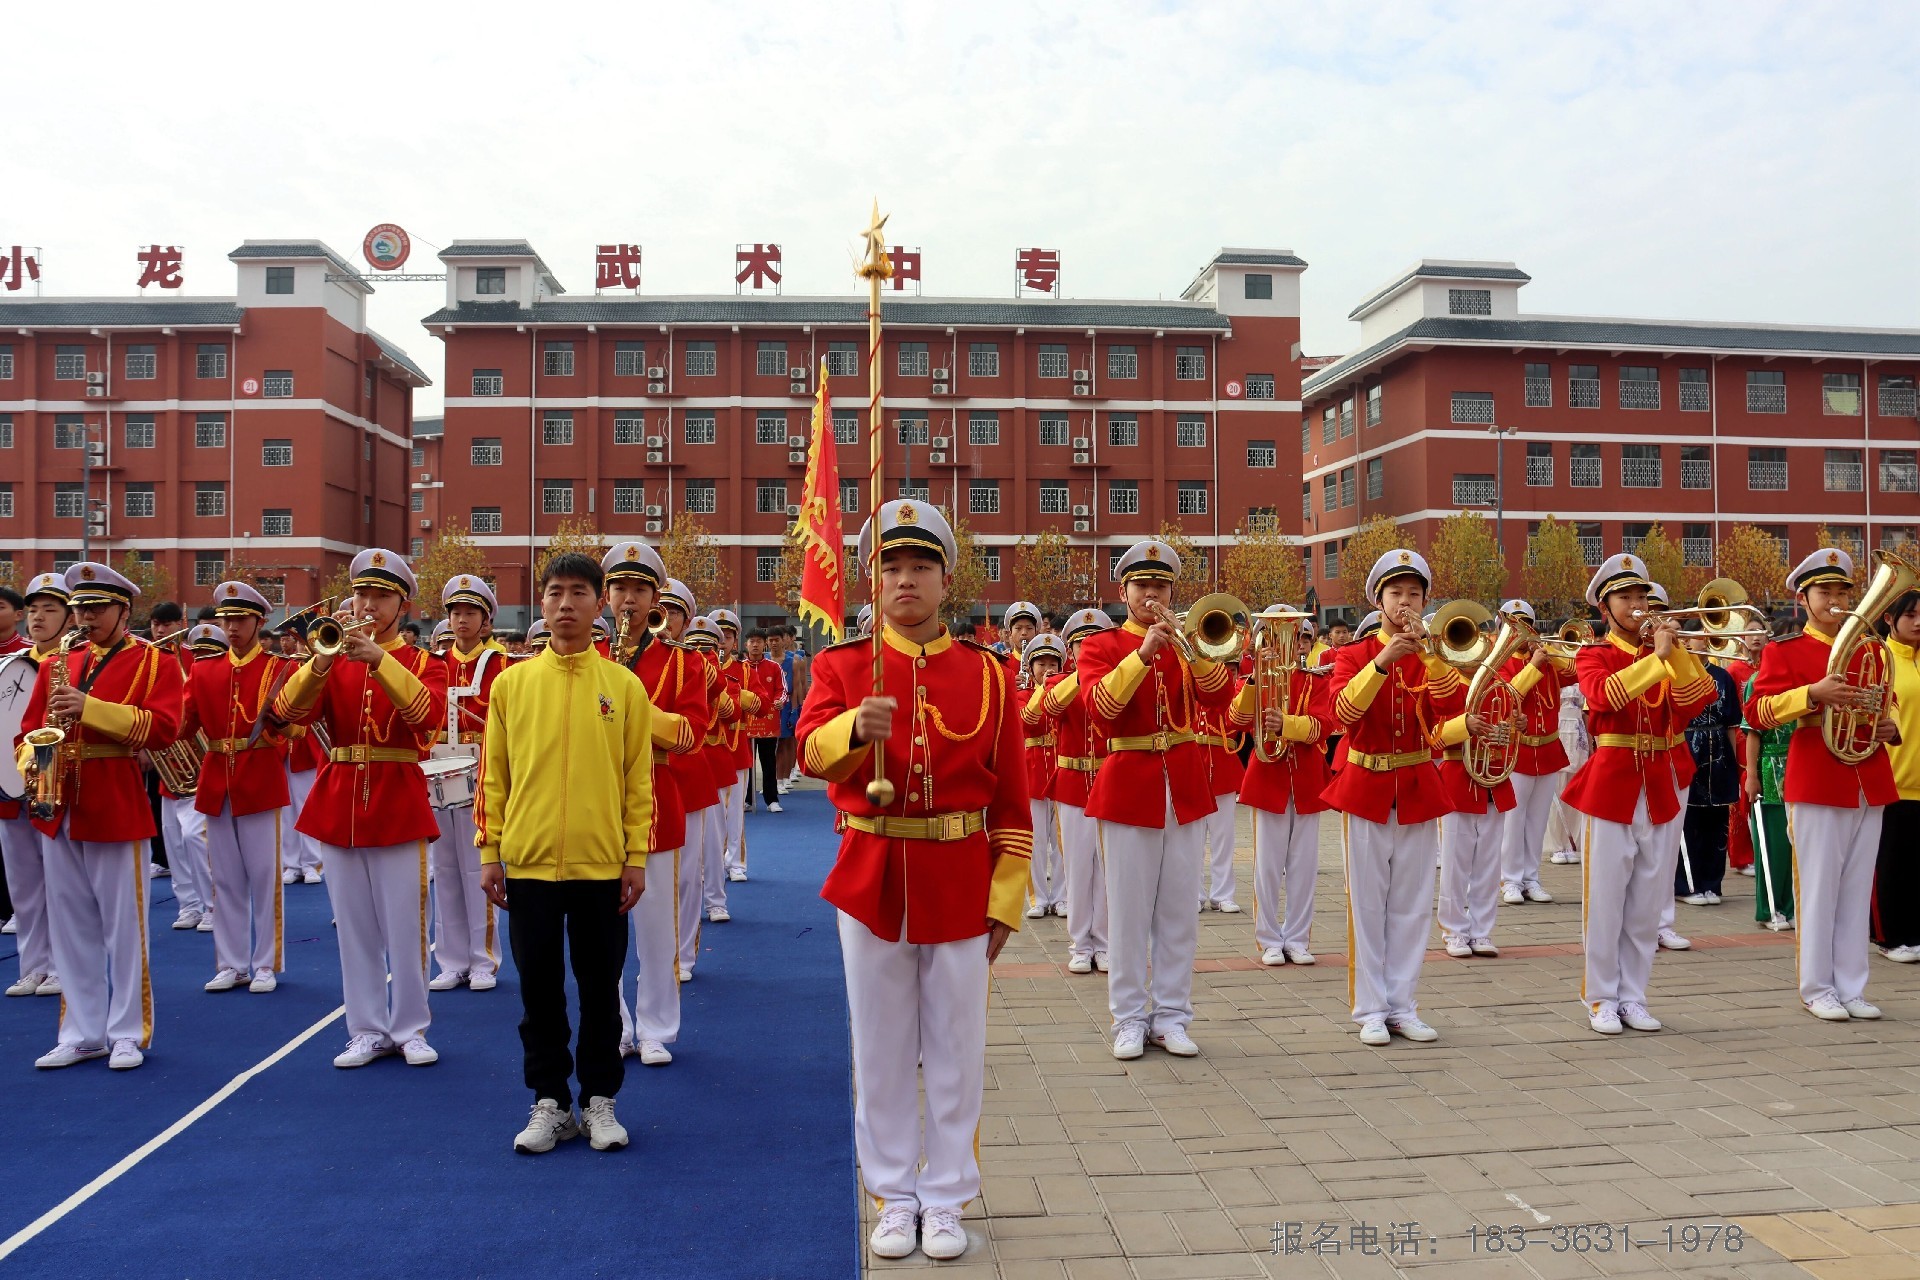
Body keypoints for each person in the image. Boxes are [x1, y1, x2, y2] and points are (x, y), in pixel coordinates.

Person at [797, 499, 1031, 1262]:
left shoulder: (990, 675)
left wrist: (1007, 897)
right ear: (875, 579)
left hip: (961, 874)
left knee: (958, 1044)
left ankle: (948, 1193)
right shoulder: (841, 666)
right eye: (891, 567)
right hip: (871, 871)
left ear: (946, 578)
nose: (905, 581)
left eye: (920, 567)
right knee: (882, 1043)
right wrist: (847, 731)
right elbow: (805, 754)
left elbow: (1012, 797)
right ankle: (893, 1193)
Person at [477, 552, 653, 1154]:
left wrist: (636, 858)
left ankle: (600, 1100)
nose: (566, 605)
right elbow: (491, 776)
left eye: (579, 592)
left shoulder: (624, 687)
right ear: (541, 603)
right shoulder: (511, 684)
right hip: (527, 865)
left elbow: (638, 780)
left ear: (599, 603)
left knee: (601, 987)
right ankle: (549, 1100)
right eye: (555, 593)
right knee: (539, 991)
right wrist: (488, 851)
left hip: (602, 865)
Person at [271, 549, 449, 1068]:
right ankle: (366, 1028)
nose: (368, 604)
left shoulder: (423, 661)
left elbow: (428, 720)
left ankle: (411, 1026)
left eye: (381, 596)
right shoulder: (330, 658)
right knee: (353, 926)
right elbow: (285, 715)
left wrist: (381, 660)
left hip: (397, 791)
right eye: (362, 594)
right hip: (340, 794)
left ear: (403, 604)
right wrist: (317, 664)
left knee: (406, 921)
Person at [20, 562, 185, 1069]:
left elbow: (164, 728)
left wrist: (90, 708)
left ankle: (127, 1031)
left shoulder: (154, 662)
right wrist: (32, 763)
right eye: (81, 608)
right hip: (57, 799)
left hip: (113, 797)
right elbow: (25, 730)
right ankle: (81, 1031)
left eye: (97, 608)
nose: (86, 617)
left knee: (123, 923)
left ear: (124, 610)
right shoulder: (54, 663)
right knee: (69, 923)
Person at [1078, 540, 1236, 1061]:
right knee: (1126, 912)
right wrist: (1143, 654)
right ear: (1123, 591)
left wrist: (1190, 645)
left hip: (1186, 784)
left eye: (1162, 586)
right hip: (1129, 784)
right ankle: (1128, 1017)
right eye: (1143, 586)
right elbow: (1101, 709)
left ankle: (1171, 1015)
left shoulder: (1188, 643)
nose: (1152, 595)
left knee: (1179, 911)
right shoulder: (1100, 646)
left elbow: (1220, 697)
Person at [1323, 552, 1477, 1046]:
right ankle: (1370, 1008)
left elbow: (1451, 711)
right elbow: (1344, 714)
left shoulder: (1432, 655)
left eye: (1414, 594)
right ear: (1378, 600)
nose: (1406, 602)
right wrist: (1383, 660)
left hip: (1415, 786)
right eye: (1396, 594)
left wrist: (1432, 659)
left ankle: (1403, 1005)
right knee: (1367, 905)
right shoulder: (1352, 654)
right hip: (1365, 785)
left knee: (1411, 905)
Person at [1560, 554, 1715, 1035]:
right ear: (1604, 609)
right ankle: (1601, 997)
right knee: (1606, 896)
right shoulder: (1593, 653)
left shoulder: (1666, 652)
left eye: (1641, 596)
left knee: (1648, 897)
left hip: (1663, 778)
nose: (1635, 605)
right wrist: (1658, 659)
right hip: (1613, 779)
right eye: (1624, 598)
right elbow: (1604, 696)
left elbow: (1700, 698)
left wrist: (1678, 653)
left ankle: (1634, 995)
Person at [1748, 549, 1899, 1020]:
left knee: (1857, 887)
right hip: (1816, 775)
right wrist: (1812, 694)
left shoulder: (1873, 649)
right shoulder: (1786, 650)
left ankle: (1852, 986)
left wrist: (1888, 726)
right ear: (1803, 598)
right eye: (1825, 592)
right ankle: (1817, 987)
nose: (1835, 600)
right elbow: (1756, 712)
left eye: (1842, 592)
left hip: (1868, 775)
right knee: (1818, 888)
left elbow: (1884, 703)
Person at [604, 543, 709, 1065]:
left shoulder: (682, 662)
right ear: (606, 596)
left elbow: (690, 735)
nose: (629, 599)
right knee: (600, 930)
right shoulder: (584, 658)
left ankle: (656, 1028)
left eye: (640, 590)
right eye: (620, 588)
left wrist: (635, 706)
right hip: (594, 803)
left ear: (655, 600)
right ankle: (618, 1024)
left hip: (655, 799)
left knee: (655, 924)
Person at [182, 585, 293, 994]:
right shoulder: (203, 668)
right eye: (226, 619)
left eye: (240, 619)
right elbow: (183, 723)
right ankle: (230, 962)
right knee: (224, 878)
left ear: (259, 622)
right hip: (216, 777)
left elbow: (293, 725)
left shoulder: (279, 668)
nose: (231, 626)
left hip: (259, 775)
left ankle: (264, 963)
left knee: (264, 876)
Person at [1231, 604, 1329, 967]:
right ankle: (1270, 938)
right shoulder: (1253, 680)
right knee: (1267, 865)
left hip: (1306, 778)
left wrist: (1287, 723)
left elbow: (1324, 725)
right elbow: (1237, 720)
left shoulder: (1316, 680)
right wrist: (1256, 678)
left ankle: (1299, 938)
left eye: (1300, 637)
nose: (1292, 645)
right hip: (1268, 777)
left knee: (1304, 866)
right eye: (1275, 637)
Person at [428, 575, 506, 993]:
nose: (461, 620)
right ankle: (451, 959)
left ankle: (483, 959)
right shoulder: (434, 662)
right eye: (455, 613)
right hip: (439, 769)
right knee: (444, 867)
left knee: (477, 865)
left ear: (486, 620)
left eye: (470, 613)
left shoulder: (500, 665)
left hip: (480, 770)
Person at [2, 573, 72, 998]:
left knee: (61, 882)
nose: (38, 618)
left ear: (68, 617)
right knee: (24, 884)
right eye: (34, 610)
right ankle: (33, 965)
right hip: (12, 784)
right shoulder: (15, 663)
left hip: (56, 783)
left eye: (50, 610)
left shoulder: (76, 661)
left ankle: (64, 965)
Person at [1041, 608, 1113, 973]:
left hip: (1109, 781)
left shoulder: (1116, 680)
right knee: (1077, 865)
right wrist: (1080, 674)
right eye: (1080, 645)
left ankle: (1103, 942)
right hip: (1071, 784)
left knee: (1106, 868)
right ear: (1070, 652)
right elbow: (1047, 708)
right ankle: (1079, 944)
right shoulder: (1059, 681)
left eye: (1094, 643)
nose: (1087, 648)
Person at [657, 582, 721, 982]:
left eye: (673, 612)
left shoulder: (691, 661)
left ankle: (681, 955)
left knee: (684, 874)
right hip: (623, 779)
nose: (663, 618)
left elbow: (709, 701)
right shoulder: (610, 656)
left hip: (681, 772)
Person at [1496, 601, 1570, 905]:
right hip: (1518, 751)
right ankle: (1509, 879)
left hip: (1549, 749)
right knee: (1513, 821)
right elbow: (1506, 695)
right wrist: (1533, 666)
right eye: (1513, 625)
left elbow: (1578, 671)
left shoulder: (1548, 660)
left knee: (1537, 820)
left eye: (1525, 624)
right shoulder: (1500, 662)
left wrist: (1553, 653)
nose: (1520, 631)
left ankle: (1531, 877)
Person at [154, 624, 214, 933]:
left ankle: (211, 904)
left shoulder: (199, 675)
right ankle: (188, 904)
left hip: (199, 772)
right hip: (172, 773)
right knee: (174, 839)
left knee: (195, 837)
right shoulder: (163, 673)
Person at [1871, 589, 1919, 962]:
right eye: (1910, 615)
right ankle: (1890, 936)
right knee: (1893, 864)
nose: (1918, 622)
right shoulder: (1878, 660)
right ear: (1889, 619)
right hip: (1892, 780)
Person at [1676, 636, 1741, 908]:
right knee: (1688, 821)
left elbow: (1731, 724)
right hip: (1687, 745)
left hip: (1719, 752)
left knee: (1717, 822)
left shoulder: (1722, 676)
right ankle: (1687, 885)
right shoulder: (1676, 675)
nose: (1697, 643)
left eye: (1701, 639)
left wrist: (1735, 765)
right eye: (1691, 639)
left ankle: (1713, 885)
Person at [1017, 635, 1067, 919]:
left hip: (1059, 770)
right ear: (1030, 666)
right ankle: (1037, 897)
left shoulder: (1065, 692)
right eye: (1041, 663)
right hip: (1034, 772)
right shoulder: (1023, 694)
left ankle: (1061, 897)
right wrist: (1042, 690)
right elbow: (1028, 721)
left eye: (1053, 663)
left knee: (1061, 843)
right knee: (1034, 842)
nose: (1047, 668)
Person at [741, 628, 787, 819]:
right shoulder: (740, 667)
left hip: (768, 720)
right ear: (746, 645)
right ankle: (747, 799)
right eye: (752, 641)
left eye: (759, 641)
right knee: (746, 763)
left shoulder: (774, 667)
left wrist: (779, 700)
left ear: (764, 644)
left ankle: (772, 799)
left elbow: (782, 689)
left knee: (768, 761)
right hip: (746, 722)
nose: (755, 645)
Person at [775, 625, 809, 794]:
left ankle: (786, 774)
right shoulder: (766, 659)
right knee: (773, 745)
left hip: (789, 703)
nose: (783, 640)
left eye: (785, 637)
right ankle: (774, 778)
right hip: (772, 705)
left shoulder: (797, 658)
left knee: (787, 741)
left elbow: (800, 684)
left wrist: (799, 707)